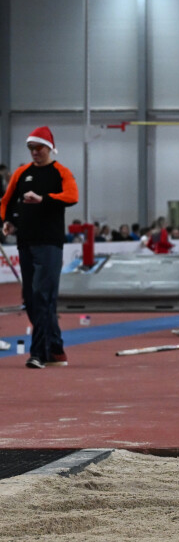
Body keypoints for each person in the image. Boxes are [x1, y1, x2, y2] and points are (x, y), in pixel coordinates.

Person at [0, 126, 78, 368]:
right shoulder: (21, 173)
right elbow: (7, 200)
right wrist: (8, 221)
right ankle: (55, 350)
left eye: (39, 148)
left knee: (42, 296)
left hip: (50, 244)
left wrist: (44, 199)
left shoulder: (61, 172)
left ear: (49, 148)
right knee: (31, 299)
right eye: (31, 148)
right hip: (25, 242)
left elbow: (72, 196)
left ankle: (37, 353)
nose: (35, 152)